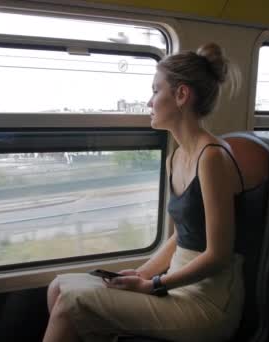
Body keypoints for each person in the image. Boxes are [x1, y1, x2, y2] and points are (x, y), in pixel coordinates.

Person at [43, 42, 245, 342]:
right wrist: (143, 273)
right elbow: (181, 236)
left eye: (155, 90)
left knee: (72, 304)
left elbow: (218, 254)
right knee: (58, 287)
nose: (149, 102)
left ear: (181, 95)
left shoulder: (212, 157)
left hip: (208, 301)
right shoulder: (175, 157)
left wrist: (155, 284)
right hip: (175, 283)